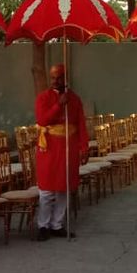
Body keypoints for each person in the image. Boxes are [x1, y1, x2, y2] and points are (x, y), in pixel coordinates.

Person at [35, 63, 89, 239]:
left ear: (66, 78)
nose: (55, 81)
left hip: (69, 146)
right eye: (52, 77)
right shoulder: (43, 98)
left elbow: (81, 124)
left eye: (59, 77)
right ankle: (43, 225)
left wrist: (84, 147)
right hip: (49, 148)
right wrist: (59, 104)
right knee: (47, 190)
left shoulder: (75, 99)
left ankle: (56, 224)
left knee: (64, 189)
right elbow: (42, 120)